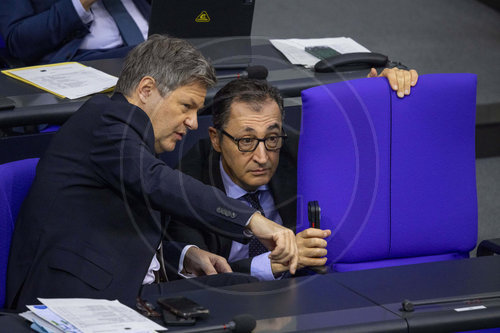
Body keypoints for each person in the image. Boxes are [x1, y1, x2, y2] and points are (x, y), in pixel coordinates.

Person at [6, 35, 298, 310]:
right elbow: (157, 182)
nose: (193, 122)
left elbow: (124, 238)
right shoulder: (104, 123)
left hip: (125, 287)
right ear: (146, 90)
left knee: (243, 288)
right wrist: (250, 219)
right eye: (186, 106)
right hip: (74, 300)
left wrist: (183, 256)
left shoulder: (135, 139)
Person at [167, 69, 418, 280]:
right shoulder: (186, 183)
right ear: (216, 139)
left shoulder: (297, 153)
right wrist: (272, 264)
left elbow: (358, 150)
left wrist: (379, 97)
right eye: (246, 141)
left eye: (272, 138)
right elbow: (200, 277)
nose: (263, 157)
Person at [0, 0, 150, 65]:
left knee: (162, 53)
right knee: (157, 57)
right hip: (84, 60)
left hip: (154, 44)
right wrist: (81, 3)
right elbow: (18, 42)